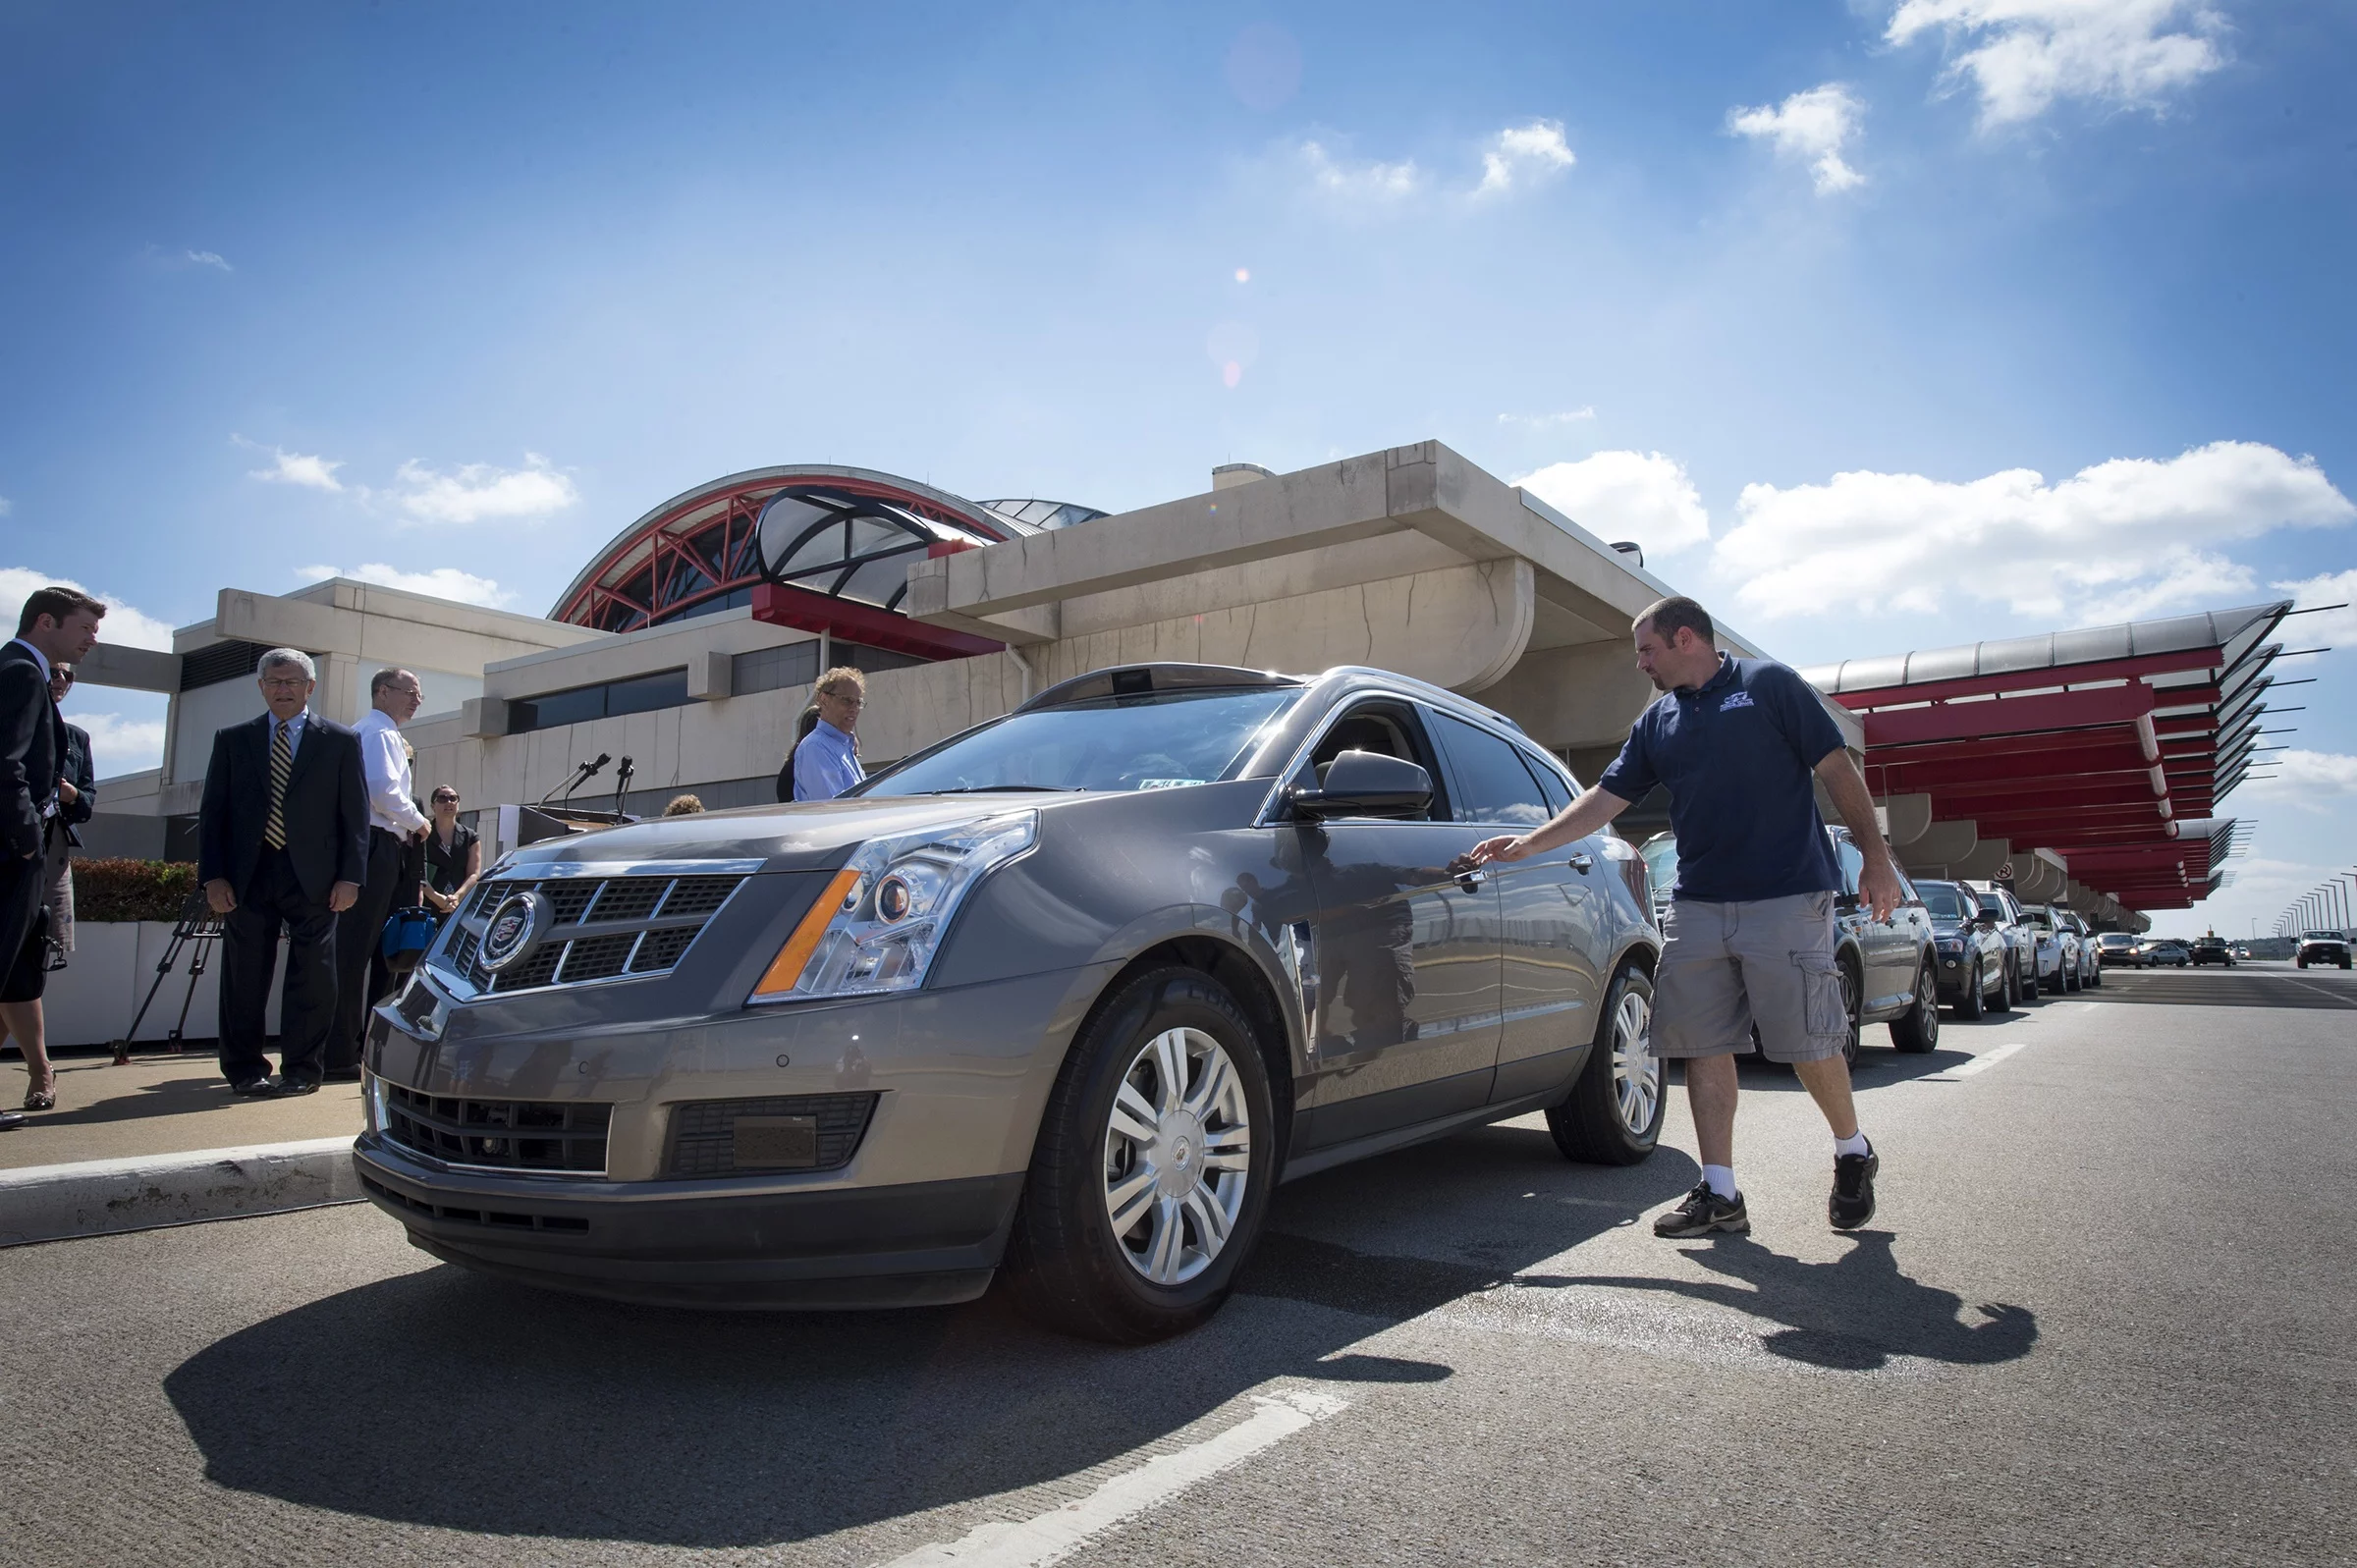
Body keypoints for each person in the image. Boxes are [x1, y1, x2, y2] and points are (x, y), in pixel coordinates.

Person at [1469, 595, 1900, 1236]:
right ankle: (1720, 1191)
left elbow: (1836, 768)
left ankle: (1851, 1150)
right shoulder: (1659, 721)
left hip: (1785, 895)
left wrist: (1876, 858)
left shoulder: (1769, 685)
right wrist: (1530, 844)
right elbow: (1605, 798)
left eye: (1647, 649)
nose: (1640, 663)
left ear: (1686, 639)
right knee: (1701, 1041)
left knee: (1807, 1041)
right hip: (1698, 901)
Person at [198, 648, 368, 1098]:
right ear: (261, 687)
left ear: (310, 687)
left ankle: (302, 1069)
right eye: (274, 682)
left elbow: (355, 816)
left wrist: (350, 877)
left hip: (316, 876)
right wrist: (213, 876)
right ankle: (244, 1069)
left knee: (313, 976)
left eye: (292, 682)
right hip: (247, 875)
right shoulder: (233, 740)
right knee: (244, 975)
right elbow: (213, 814)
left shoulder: (340, 740)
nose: (283, 690)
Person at [0, 588, 102, 1124]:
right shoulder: (20, 672)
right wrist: (24, 842)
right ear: (46, 622)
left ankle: (40, 1072)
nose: (92, 641)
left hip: (25, 854)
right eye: (85, 628)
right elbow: (8, 766)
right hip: (11, 855)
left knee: (17, 973)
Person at [332, 669, 430, 1080]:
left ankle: (361, 1045)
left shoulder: (375, 732)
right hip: (375, 845)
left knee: (381, 952)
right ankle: (342, 1049)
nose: (416, 700)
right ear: (383, 692)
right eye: (411, 692)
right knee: (360, 950)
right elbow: (383, 792)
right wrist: (419, 821)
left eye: (419, 694)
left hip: (379, 846)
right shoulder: (379, 733)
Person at [44, 662, 94, 967]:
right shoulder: (11, 723)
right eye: (53, 672)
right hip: (14, 842)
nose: (61, 680)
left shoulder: (77, 737)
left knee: (44, 950)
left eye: (68, 675)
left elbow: (87, 803)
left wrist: (72, 794)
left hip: (54, 849)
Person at [788, 667, 865, 802]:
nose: (854, 708)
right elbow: (830, 807)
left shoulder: (845, 747)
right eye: (847, 700)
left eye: (858, 702)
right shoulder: (816, 747)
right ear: (824, 700)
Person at [419, 785, 480, 924]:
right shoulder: (422, 833)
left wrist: (457, 897)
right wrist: (436, 897)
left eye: (453, 798)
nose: (448, 802)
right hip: (427, 904)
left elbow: (474, 874)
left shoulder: (471, 836)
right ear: (432, 806)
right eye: (442, 798)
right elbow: (416, 871)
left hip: (459, 906)